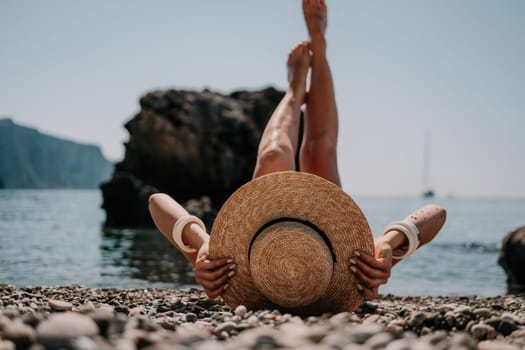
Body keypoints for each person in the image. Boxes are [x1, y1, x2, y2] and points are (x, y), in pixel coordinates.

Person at [149, 0, 446, 301]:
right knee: (321, 150)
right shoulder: (357, 273)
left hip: (265, 221)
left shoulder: (227, 273)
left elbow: (156, 202)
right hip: (321, 235)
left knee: (274, 154)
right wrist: (386, 243)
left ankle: (294, 91)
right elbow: (436, 214)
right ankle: (320, 44)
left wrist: (200, 245)